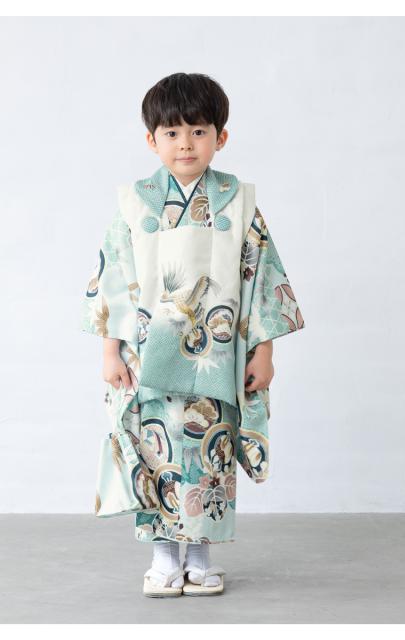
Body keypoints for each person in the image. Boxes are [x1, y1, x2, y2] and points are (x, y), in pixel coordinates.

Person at [81, 72, 305, 597]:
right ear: (151, 139)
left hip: (217, 352)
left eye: (199, 131)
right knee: (154, 449)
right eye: (172, 133)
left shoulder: (237, 202)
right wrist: (110, 351)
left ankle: (201, 557)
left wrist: (265, 350)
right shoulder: (136, 203)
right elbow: (113, 277)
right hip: (148, 350)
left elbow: (259, 277)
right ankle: (163, 558)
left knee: (211, 448)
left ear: (220, 137)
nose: (186, 144)